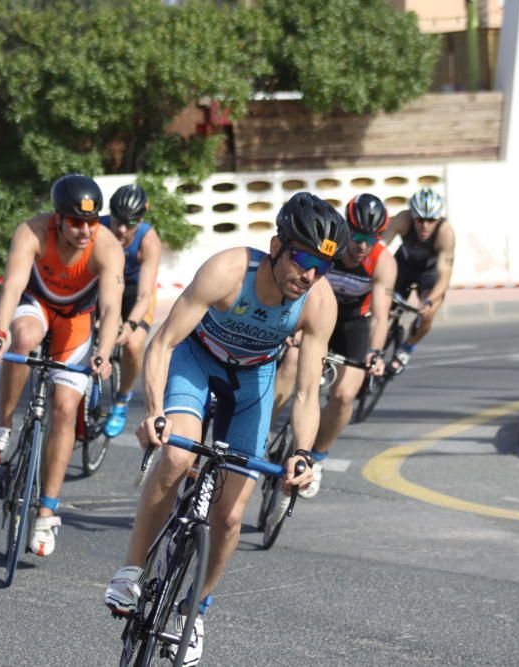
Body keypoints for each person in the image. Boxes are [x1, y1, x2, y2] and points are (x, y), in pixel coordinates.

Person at [104, 192, 348, 665]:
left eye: (322, 266)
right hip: (197, 362)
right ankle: (132, 570)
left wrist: (303, 453)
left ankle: (194, 611)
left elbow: (303, 393)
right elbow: (163, 344)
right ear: (277, 246)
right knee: (177, 456)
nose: (309, 274)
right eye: (302, 258)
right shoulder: (228, 271)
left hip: (252, 381)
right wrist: (154, 410)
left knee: (232, 514)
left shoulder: (318, 303)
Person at [0, 174, 124, 556]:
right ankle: (4, 422)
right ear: (57, 219)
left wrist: (103, 350)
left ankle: (47, 513)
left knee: (64, 410)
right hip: (38, 304)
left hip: (77, 320)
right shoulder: (31, 232)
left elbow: (111, 307)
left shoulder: (107, 247)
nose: (83, 231)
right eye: (75, 222)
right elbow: (12, 285)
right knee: (23, 338)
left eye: (91, 223)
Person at [271, 193, 397, 499]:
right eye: (356, 235)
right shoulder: (330, 245)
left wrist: (376, 353)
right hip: (313, 314)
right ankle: (262, 434)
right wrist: (294, 329)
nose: (361, 245)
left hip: (351, 323)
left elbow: (380, 316)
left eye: (371, 238)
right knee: (290, 364)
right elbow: (301, 284)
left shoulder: (382, 261)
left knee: (344, 395)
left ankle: (320, 455)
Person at [99, 183, 162, 438]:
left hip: (135, 292)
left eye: (130, 223)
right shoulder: (98, 229)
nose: (122, 230)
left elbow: (146, 294)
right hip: (104, 285)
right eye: (117, 221)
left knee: (134, 344)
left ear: (141, 220)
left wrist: (130, 324)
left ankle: (122, 400)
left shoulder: (149, 241)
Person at [381, 187, 455, 374]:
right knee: (382, 305)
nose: (425, 226)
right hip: (403, 266)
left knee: (428, 312)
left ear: (438, 219)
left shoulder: (446, 233)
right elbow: (380, 249)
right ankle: (377, 346)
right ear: (412, 216)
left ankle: (407, 347)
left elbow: (444, 276)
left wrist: (429, 301)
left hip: (429, 274)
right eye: (420, 220)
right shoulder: (402, 219)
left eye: (431, 220)